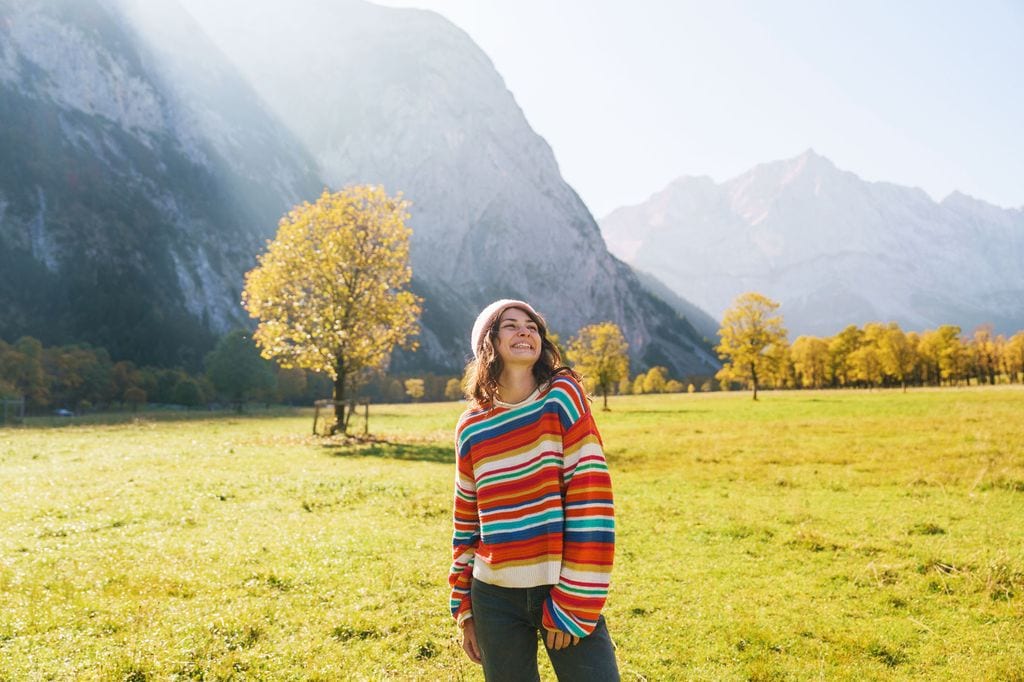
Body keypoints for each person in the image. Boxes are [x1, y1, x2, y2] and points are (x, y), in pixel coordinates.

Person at [448, 299, 619, 681]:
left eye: (532, 325)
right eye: (510, 325)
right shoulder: (471, 425)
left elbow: (592, 500)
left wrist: (573, 602)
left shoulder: (562, 397)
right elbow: (466, 519)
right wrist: (465, 608)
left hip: (560, 585)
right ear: (487, 343)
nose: (525, 331)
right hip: (492, 597)